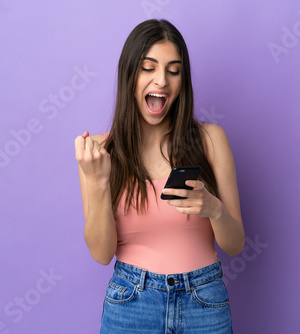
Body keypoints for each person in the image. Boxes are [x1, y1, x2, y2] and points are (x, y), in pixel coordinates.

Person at [75, 19, 245, 333]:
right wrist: (98, 181)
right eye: (148, 68)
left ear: (183, 80)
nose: (161, 81)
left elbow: (235, 244)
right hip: (131, 302)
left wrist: (214, 209)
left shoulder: (210, 140)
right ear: (130, 75)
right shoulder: (100, 150)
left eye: (173, 70)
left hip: (204, 302)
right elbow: (101, 253)